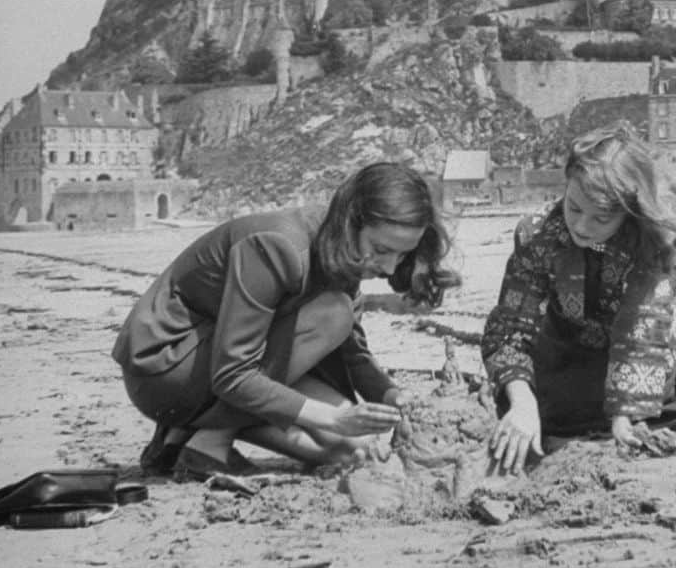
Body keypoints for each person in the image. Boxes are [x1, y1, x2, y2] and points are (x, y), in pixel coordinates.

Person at [113, 162, 459, 480]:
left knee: (353, 450)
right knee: (334, 316)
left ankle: (188, 435)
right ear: (351, 219)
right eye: (382, 250)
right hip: (166, 369)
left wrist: (395, 398)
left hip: (223, 368)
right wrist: (333, 417)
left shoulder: (345, 248)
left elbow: (353, 357)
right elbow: (233, 374)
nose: (387, 268)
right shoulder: (277, 245)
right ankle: (210, 442)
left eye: (402, 256)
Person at [481, 123, 676, 474]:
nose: (581, 226)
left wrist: (625, 418)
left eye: (601, 218)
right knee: (536, 410)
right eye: (574, 208)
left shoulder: (654, 242)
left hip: (635, 345)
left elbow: (643, 329)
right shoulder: (536, 236)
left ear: (629, 213)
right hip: (564, 343)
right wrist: (521, 400)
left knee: (641, 423)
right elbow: (512, 325)